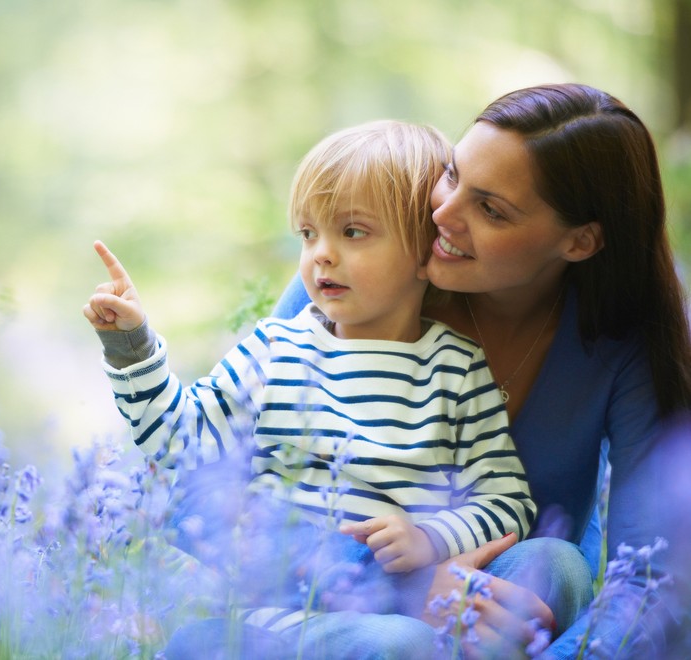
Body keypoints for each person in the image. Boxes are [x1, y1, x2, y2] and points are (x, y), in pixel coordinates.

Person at [84, 120, 538, 655]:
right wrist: (131, 345)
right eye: (308, 233)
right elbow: (181, 440)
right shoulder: (276, 349)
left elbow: (508, 500)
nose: (321, 253)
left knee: (446, 618)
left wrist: (430, 538)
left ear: (426, 250)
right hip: (278, 612)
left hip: (394, 611)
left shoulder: (455, 367)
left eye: (353, 232)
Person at [270, 83, 691, 657]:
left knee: (554, 561)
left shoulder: (622, 341)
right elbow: (224, 489)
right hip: (333, 597)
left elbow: (655, 579)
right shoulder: (361, 276)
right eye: (450, 175)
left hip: (513, 608)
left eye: (490, 209)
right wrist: (403, 587)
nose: (441, 214)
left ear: (580, 241)